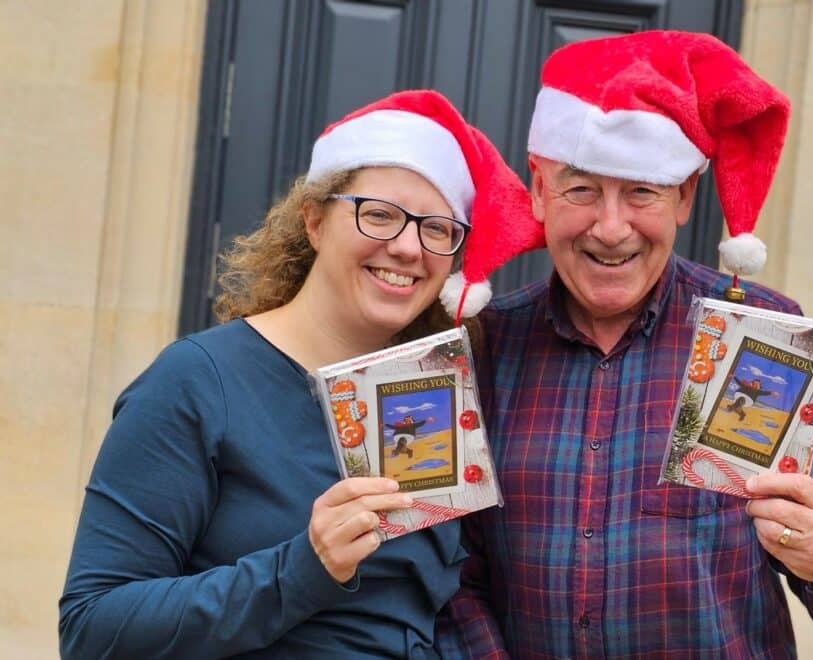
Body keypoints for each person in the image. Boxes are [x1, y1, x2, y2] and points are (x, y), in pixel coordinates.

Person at [438, 31, 813, 657]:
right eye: (580, 189)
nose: (610, 226)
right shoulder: (485, 347)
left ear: (683, 197)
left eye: (641, 190)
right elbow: (452, 571)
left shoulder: (757, 338)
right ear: (539, 191)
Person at [58, 90, 540, 659]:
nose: (409, 247)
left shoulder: (430, 397)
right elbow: (91, 629)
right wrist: (301, 569)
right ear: (313, 220)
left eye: (437, 229)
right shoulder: (197, 380)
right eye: (379, 214)